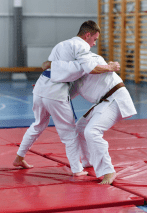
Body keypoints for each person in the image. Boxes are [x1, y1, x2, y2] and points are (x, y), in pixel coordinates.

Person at [13, 20, 120, 176]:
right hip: (55, 92)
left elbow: (51, 66)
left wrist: (49, 74)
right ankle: (77, 170)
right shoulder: (81, 45)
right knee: (70, 133)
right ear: (87, 35)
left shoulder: (62, 44)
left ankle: (19, 157)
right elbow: (91, 68)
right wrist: (110, 67)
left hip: (41, 87)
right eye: (94, 39)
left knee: (38, 125)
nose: (94, 44)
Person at [42, 52, 137, 184]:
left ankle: (108, 171)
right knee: (81, 127)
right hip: (103, 102)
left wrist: (110, 66)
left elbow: (98, 65)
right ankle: (89, 161)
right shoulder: (75, 80)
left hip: (116, 98)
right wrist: (45, 90)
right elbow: (65, 95)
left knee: (92, 131)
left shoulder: (87, 61)